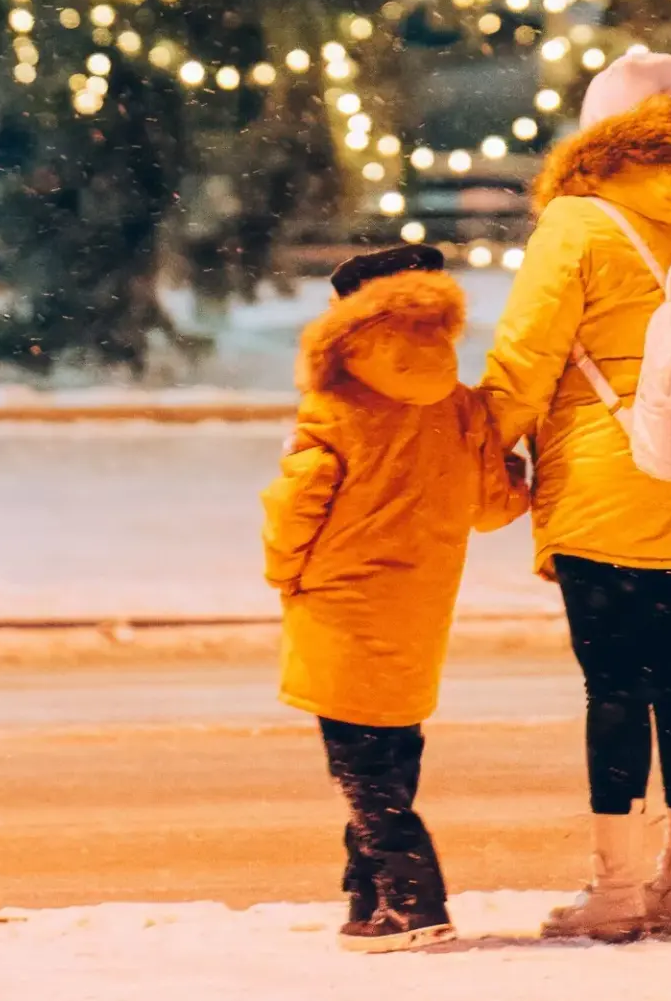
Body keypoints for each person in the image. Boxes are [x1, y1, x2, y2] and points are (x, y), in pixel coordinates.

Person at [480, 49, 671, 943]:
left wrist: (484, 450)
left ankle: (614, 894)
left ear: (597, 136)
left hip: (605, 483)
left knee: (613, 686)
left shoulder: (575, 223)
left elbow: (527, 357)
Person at [261, 243, 528, 952]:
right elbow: (493, 506)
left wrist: (284, 571)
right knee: (392, 747)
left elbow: (299, 502)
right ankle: (368, 894)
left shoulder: (337, 401)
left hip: (341, 600)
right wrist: (512, 469)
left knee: (358, 761)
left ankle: (415, 900)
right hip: (420, 603)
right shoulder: (461, 403)